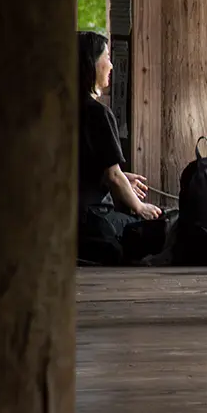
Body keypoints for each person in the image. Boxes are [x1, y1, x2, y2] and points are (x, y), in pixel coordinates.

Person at [77, 31, 162, 263]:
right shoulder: (97, 112)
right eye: (106, 56)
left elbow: (88, 168)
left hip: (65, 215)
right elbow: (112, 176)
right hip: (90, 218)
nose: (111, 65)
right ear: (90, 63)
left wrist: (122, 177)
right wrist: (139, 206)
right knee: (157, 229)